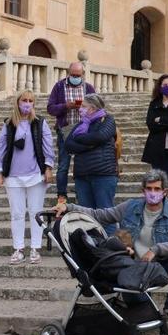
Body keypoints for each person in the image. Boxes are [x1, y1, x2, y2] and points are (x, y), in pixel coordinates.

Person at [52, 169, 168, 322]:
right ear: (143, 190)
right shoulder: (131, 207)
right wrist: (69, 207)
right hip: (131, 269)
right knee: (143, 314)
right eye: (149, 189)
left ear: (165, 192)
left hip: (158, 267)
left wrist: (156, 249)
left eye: (157, 189)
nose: (152, 193)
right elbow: (100, 215)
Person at [0, 90, 55, 265]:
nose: (27, 103)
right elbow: (1, 148)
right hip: (12, 176)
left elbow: (48, 146)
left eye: (30, 100)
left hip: (36, 175)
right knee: (17, 214)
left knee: (36, 213)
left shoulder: (39, 123)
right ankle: (18, 249)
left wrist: (48, 168)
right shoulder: (9, 124)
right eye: (24, 100)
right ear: (17, 102)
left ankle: (35, 249)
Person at [64, 93, 119, 235]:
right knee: (86, 217)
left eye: (83, 106)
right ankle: (92, 250)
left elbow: (101, 136)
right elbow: (68, 144)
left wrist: (81, 140)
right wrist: (90, 146)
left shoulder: (107, 120)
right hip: (82, 175)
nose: (80, 109)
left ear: (93, 108)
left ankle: (110, 250)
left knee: (105, 214)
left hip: (103, 174)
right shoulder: (81, 124)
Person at [46, 62, 96, 204]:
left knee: (84, 163)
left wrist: (85, 107)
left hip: (85, 130)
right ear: (68, 73)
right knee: (63, 165)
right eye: (73, 75)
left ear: (82, 75)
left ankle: (82, 194)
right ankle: (61, 194)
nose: (75, 77)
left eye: (78, 75)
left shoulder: (89, 88)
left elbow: (98, 108)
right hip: (65, 130)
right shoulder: (59, 86)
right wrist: (66, 106)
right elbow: (50, 108)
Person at [142, 75, 168, 206]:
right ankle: (160, 209)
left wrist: (161, 120)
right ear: (160, 87)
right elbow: (150, 124)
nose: (167, 88)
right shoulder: (154, 103)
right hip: (157, 150)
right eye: (165, 85)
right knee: (158, 183)